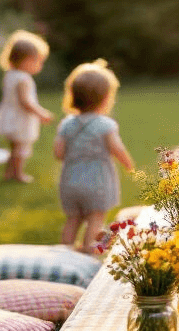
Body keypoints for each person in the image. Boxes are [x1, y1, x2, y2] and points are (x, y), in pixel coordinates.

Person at [54, 60, 134, 253]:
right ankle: (88, 254)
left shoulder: (66, 124)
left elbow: (58, 153)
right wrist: (129, 165)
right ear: (105, 98)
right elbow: (117, 149)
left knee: (73, 219)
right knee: (96, 218)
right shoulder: (105, 125)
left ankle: (63, 254)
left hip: (70, 181)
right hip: (97, 182)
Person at [0, 30, 54, 183]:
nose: (40, 65)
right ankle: (18, 174)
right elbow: (25, 102)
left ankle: (9, 173)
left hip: (10, 116)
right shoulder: (23, 79)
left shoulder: (10, 75)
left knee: (15, 148)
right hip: (20, 119)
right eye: (38, 61)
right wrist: (41, 113)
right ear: (26, 61)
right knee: (21, 150)